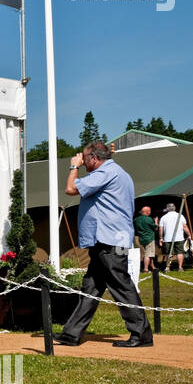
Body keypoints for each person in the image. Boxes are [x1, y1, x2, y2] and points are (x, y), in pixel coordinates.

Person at [54, 141, 152, 348]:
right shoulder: (118, 172)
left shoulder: (105, 172)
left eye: (85, 158)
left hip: (110, 240)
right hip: (107, 240)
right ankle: (71, 334)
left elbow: (71, 188)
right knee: (91, 286)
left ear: (94, 159)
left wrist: (74, 166)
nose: (83, 160)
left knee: (121, 285)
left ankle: (141, 334)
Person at [157, 203, 192, 271]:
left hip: (167, 238)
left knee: (168, 253)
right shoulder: (180, 216)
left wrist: (161, 238)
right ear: (175, 208)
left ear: (167, 209)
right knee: (180, 253)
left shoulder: (164, 217)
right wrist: (189, 234)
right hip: (179, 237)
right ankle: (180, 267)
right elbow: (184, 226)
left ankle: (168, 267)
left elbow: (161, 229)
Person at [134, 205, 157, 272]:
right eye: (149, 211)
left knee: (149, 254)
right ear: (147, 212)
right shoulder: (149, 219)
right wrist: (156, 222)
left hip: (140, 238)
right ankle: (146, 269)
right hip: (149, 238)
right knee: (148, 255)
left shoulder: (136, 219)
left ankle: (152, 266)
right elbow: (155, 228)